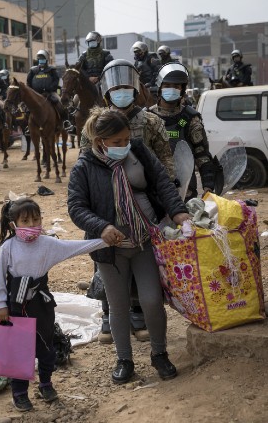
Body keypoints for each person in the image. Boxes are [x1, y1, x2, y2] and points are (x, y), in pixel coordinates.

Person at [67, 107, 190, 384]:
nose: (124, 145)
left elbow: (161, 182)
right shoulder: (85, 167)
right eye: (117, 142)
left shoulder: (139, 151)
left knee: (151, 301)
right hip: (110, 249)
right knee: (118, 305)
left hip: (145, 240)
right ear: (101, 142)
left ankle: (159, 354)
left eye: (126, 139)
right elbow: (76, 207)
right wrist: (102, 226)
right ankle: (124, 359)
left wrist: (178, 210)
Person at [79, 59, 176, 344]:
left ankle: (139, 315)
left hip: (143, 207)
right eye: (116, 87)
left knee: (145, 272)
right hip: (106, 207)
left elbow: (164, 157)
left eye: (126, 87)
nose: (122, 92)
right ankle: (109, 314)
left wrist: (168, 191)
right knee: (106, 265)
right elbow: (88, 162)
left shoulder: (150, 120)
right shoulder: (95, 124)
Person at [0, 197, 108, 411]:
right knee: (19, 351)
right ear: (13, 225)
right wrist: (1, 304)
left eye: (36, 220)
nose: (32, 226)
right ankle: (19, 393)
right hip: (15, 306)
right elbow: (0, 279)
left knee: (46, 348)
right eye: (25, 221)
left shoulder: (48, 244)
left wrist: (107, 240)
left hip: (42, 305)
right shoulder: (8, 248)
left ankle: (45, 383)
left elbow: (78, 247)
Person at [149, 62, 221, 200]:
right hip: (154, 190)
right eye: (167, 85)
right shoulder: (147, 117)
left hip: (184, 191)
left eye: (176, 86)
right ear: (159, 87)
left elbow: (202, 154)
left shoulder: (189, 118)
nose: (172, 89)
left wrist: (208, 186)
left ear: (182, 90)